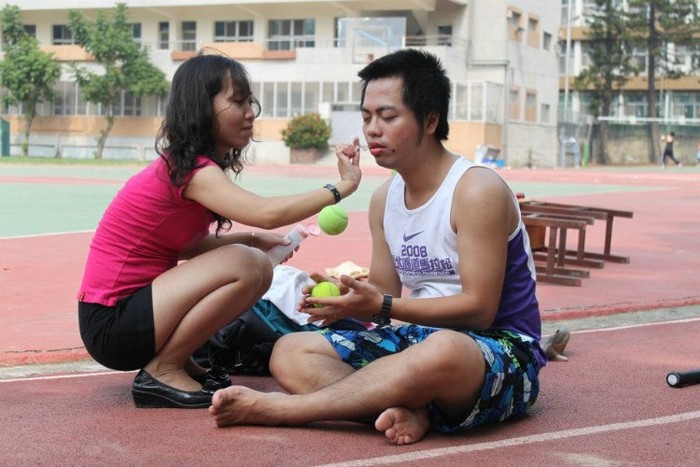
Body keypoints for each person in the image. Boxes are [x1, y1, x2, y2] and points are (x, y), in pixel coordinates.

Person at [209, 49, 547, 445]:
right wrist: (346, 303)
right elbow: (385, 299)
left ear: (431, 120)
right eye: (367, 117)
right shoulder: (384, 199)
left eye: (388, 117)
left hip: (497, 348)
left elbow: (479, 309)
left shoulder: (476, 190)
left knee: (444, 351)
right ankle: (412, 409)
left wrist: (382, 306)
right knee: (289, 351)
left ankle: (288, 409)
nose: (372, 130)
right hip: (416, 342)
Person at [76, 52, 361, 409]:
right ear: (202, 108)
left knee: (255, 262)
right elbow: (265, 213)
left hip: (128, 316)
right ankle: (162, 369)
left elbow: (190, 246)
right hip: (112, 323)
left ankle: (178, 360)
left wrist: (254, 240)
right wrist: (340, 188)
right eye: (237, 102)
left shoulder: (186, 167)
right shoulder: (192, 171)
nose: (250, 112)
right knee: (249, 265)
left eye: (250, 102)